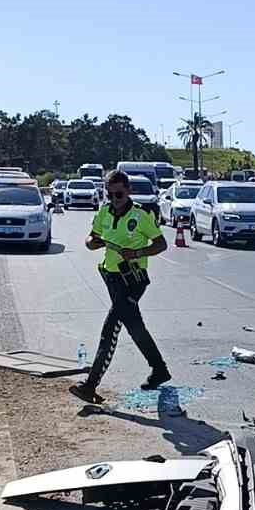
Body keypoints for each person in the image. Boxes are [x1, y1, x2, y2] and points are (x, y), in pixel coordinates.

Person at [71, 170, 171, 404]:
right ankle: (159, 370)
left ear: (128, 191)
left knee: (110, 330)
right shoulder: (104, 212)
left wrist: (137, 252)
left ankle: (90, 384)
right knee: (135, 327)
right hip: (111, 277)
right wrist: (92, 243)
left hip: (133, 281)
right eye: (110, 194)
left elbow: (161, 244)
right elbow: (90, 238)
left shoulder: (141, 215)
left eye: (119, 194)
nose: (114, 199)